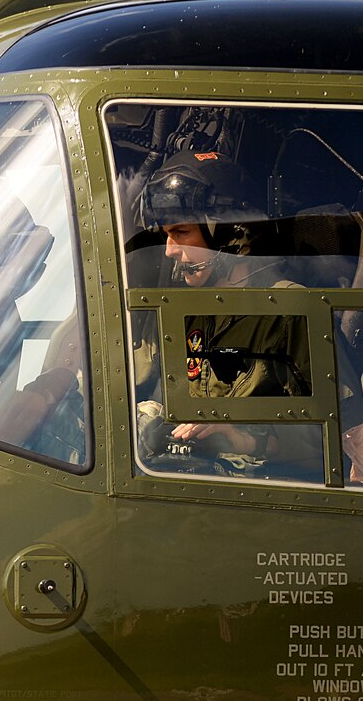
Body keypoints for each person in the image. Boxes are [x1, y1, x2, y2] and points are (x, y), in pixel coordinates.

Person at [132, 149, 312, 468]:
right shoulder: (181, 311)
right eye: (166, 237)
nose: (170, 251)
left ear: (231, 234)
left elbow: (336, 442)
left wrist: (241, 438)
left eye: (182, 233)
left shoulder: (287, 312)